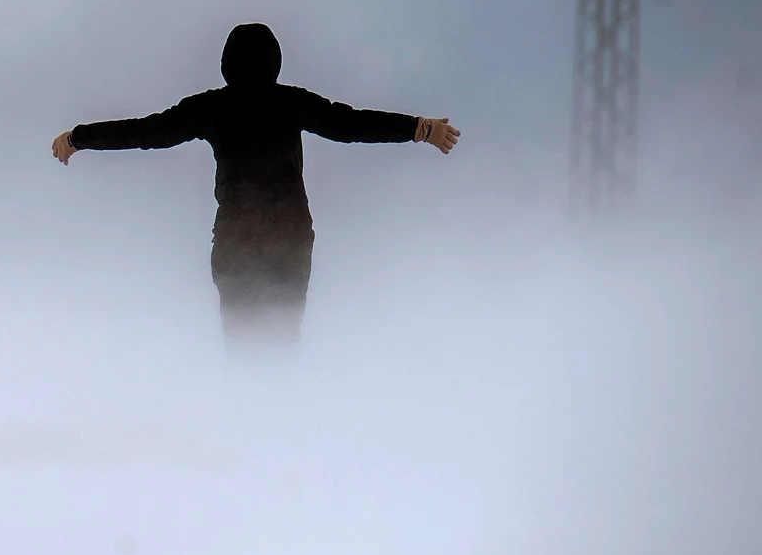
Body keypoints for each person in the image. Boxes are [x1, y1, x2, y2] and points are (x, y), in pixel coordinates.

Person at [50, 23, 458, 349]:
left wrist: (79, 137)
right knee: (281, 338)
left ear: (226, 63)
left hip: (237, 236)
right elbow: (352, 124)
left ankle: (249, 431)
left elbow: (144, 132)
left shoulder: (211, 107)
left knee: (243, 341)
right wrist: (419, 129)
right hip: (289, 234)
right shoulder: (290, 101)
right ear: (275, 63)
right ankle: (276, 433)